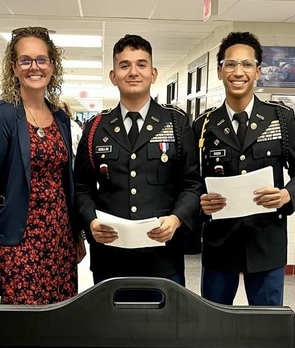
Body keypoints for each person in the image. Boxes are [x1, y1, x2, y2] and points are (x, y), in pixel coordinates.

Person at [192, 31, 295, 306]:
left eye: (247, 64)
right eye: (231, 64)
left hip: (266, 243)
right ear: (219, 71)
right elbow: (191, 182)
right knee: (214, 324)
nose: (239, 72)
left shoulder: (281, 119)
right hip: (219, 243)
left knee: (267, 327)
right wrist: (201, 201)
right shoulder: (203, 125)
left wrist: (286, 195)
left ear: (258, 71)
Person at [74, 34, 204, 285]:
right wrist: (90, 221)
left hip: (163, 257)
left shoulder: (176, 124)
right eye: (124, 65)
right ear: (113, 76)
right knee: (111, 325)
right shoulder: (95, 128)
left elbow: (192, 184)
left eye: (141, 64)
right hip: (110, 256)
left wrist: (176, 218)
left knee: (163, 325)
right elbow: (82, 188)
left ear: (153, 73)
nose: (133, 72)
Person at [0, 26, 85, 304]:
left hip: (58, 241)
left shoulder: (60, 118)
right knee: (23, 326)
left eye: (41, 60)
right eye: (25, 60)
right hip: (18, 243)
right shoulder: (1, 116)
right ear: (14, 67)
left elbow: (66, 180)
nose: (34, 67)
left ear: (52, 65)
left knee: (59, 318)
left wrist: (76, 234)